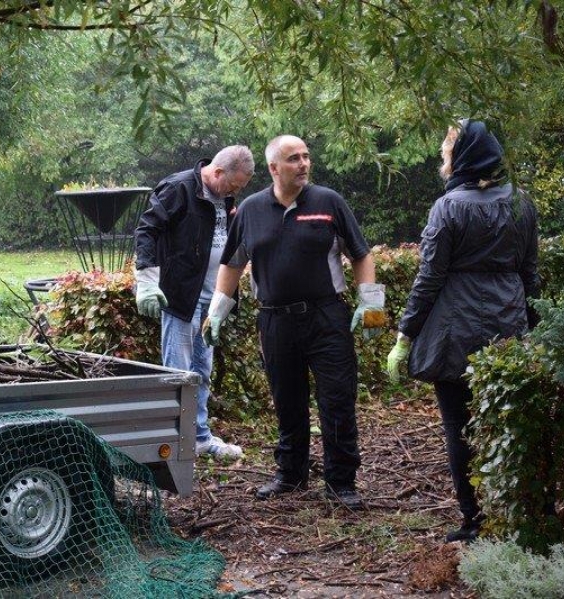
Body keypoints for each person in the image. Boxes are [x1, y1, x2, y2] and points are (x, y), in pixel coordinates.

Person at [203, 135, 384, 508]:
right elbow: (233, 263)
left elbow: (362, 256)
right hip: (275, 322)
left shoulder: (328, 202)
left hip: (326, 317)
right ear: (273, 168)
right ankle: (290, 474)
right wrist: (216, 312)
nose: (303, 164)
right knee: (287, 400)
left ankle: (341, 482)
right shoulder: (250, 210)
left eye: (306, 157)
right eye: (293, 159)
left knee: (337, 400)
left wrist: (372, 307)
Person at [386, 120, 540, 542]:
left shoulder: (449, 207)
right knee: (507, 421)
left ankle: (474, 521)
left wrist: (405, 336)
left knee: (458, 425)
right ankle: (513, 514)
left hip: (456, 328)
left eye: (445, 150)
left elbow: (428, 278)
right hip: (509, 323)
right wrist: (534, 328)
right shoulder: (522, 203)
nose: (443, 158)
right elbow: (531, 273)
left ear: (461, 156)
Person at [134, 146, 255, 459]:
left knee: (202, 370)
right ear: (217, 173)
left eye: (240, 189)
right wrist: (146, 282)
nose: (235, 192)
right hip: (181, 299)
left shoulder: (225, 196)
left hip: (210, 301)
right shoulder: (178, 189)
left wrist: (224, 302)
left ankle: (200, 438)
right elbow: (147, 230)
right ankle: (174, 443)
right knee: (178, 373)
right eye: (233, 186)